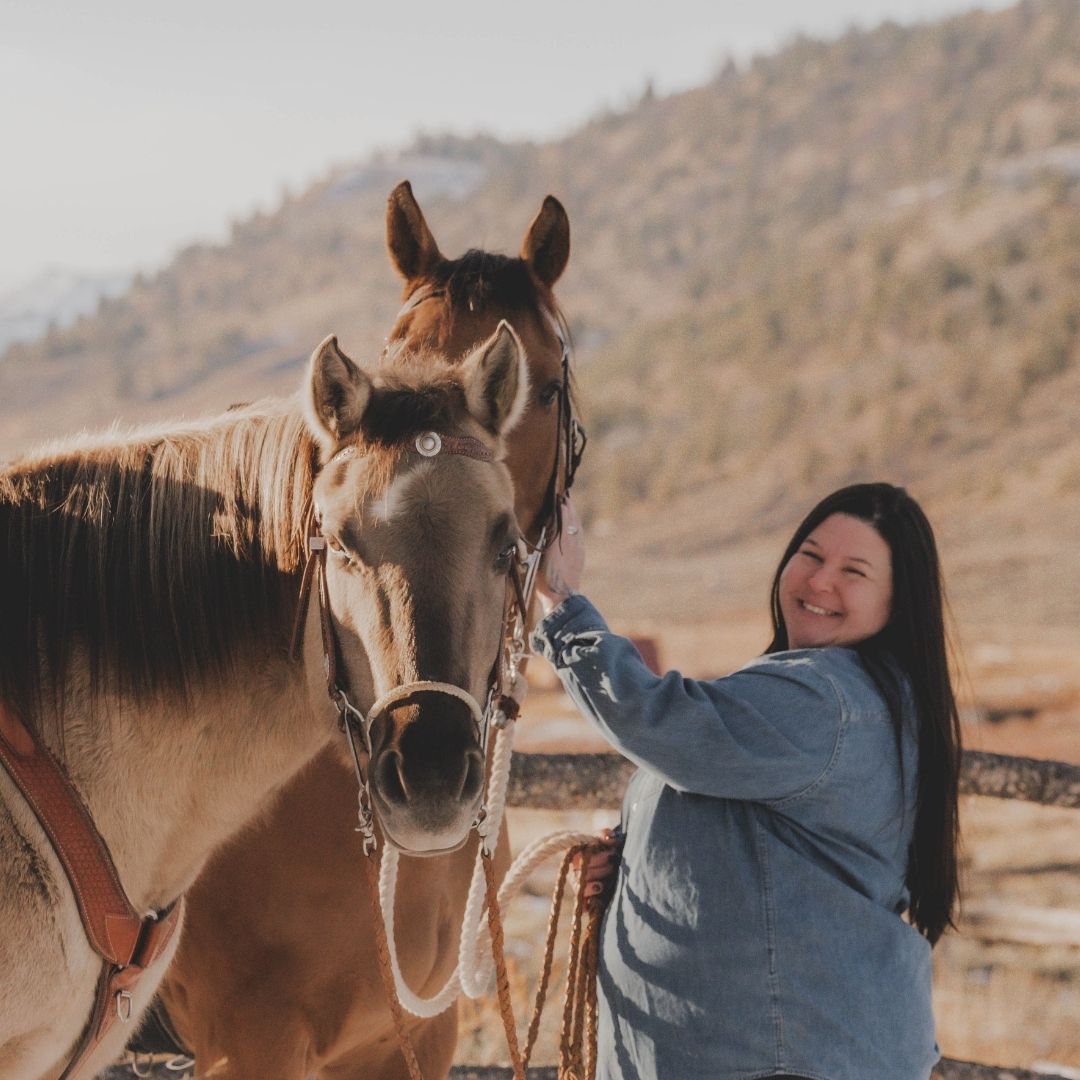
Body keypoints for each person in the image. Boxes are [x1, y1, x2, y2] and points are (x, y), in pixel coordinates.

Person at [530, 483, 961, 1080]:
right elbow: (759, 836)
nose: (818, 581)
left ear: (897, 601)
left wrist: (561, 601)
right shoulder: (845, 693)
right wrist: (638, 859)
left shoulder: (827, 699)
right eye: (810, 555)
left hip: (775, 1057)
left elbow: (663, 723)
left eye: (853, 571)